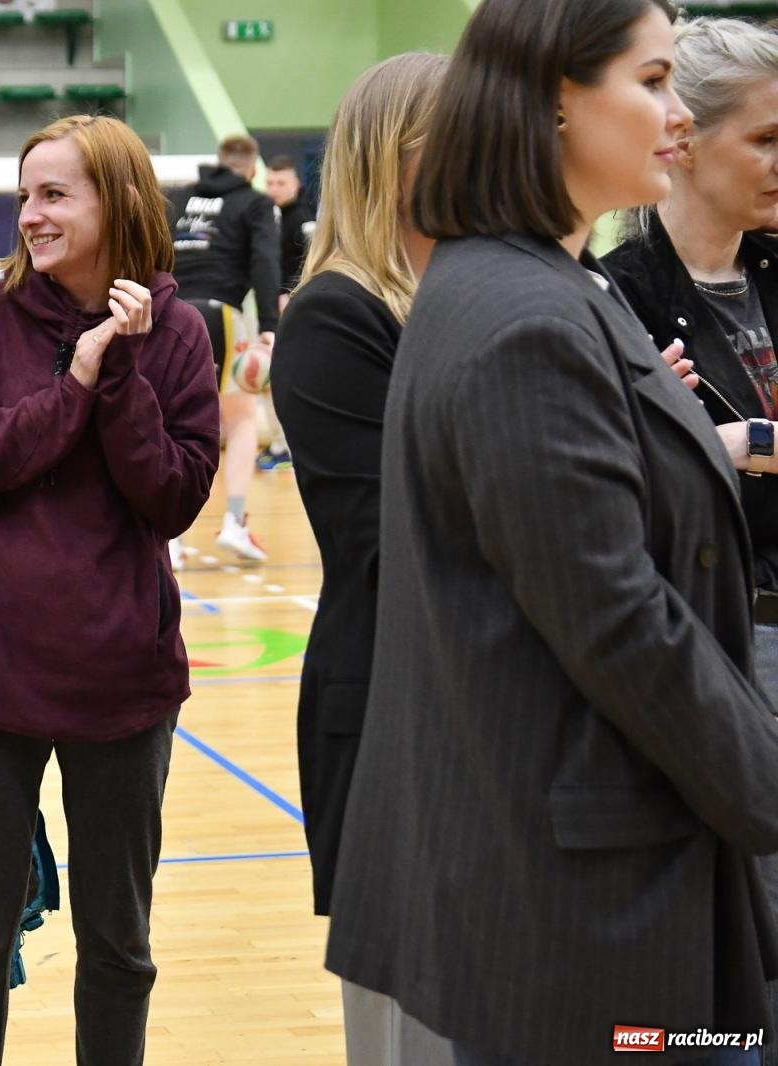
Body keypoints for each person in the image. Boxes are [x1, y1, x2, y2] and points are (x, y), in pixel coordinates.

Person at [325, 0, 778, 1062]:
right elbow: (615, 620)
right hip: (589, 905)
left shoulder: (539, 281)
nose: (676, 113)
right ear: (553, 101)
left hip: (596, 866)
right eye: (653, 80)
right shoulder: (523, 313)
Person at [0, 113, 219, 1066]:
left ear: (116, 202)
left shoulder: (176, 333)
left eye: (54, 194)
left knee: (118, 948)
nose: (31, 215)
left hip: (120, 691)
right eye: (24, 195)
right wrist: (72, 387)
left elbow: (171, 496)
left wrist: (117, 371)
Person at [269, 52, 451, 1066]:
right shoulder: (335, 315)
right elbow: (392, 535)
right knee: (403, 1027)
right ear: (395, 154)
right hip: (383, 701)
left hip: (474, 705)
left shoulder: (470, 291)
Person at [602, 20, 778, 1062]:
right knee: (711, 990)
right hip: (714, 654)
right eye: (762, 140)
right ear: (685, 141)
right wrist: (734, 440)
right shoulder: (616, 297)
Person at [166, 133, 279, 564]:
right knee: (242, 418)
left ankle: (169, 534)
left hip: (171, 312)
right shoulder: (253, 202)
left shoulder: (181, 197)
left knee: (174, 420)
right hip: (220, 315)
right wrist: (269, 324)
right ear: (251, 169)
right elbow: (265, 262)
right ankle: (234, 522)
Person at [265, 155, 317, 303]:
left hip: (295, 299)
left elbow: (312, 262)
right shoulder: (267, 215)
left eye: (281, 183)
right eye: (269, 183)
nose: (274, 189)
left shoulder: (304, 219)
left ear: (295, 184)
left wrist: (290, 294)